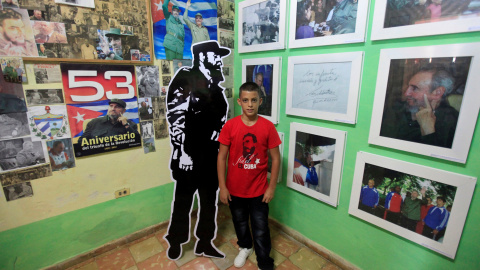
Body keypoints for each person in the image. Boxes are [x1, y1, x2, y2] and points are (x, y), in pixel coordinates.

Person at [165, 41, 230, 260]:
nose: (220, 60)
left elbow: (220, 121)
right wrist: (182, 151)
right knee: (183, 202)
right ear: (203, 57)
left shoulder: (216, 87)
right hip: (188, 156)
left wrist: (219, 133)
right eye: (216, 56)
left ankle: (204, 242)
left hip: (210, 157)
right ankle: (175, 241)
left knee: (209, 202)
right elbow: (176, 118)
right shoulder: (185, 79)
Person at [217, 82, 281, 270]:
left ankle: (264, 261)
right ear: (239, 102)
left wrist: (271, 187)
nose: (250, 104)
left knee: (261, 228)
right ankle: (245, 247)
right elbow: (221, 158)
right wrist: (223, 186)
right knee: (240, 223)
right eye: (245, 100)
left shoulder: (268, 127)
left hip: (259, 191)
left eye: (254, 100)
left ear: (260, 101)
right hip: (235, 190)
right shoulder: (230, 126)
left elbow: (276, 159)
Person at [380, 67, 458, 148]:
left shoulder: (452, 122)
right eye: (408, 87)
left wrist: (428, 131)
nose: (406, 93)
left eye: (415, 88)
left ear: (437, 92)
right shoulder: (395, 110)